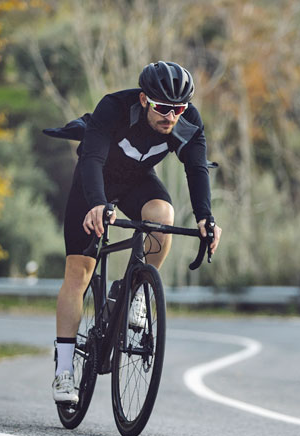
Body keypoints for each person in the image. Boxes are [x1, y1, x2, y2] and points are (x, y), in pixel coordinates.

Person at [51, 61, 222, 403]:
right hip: (94, 182)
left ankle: (137, 290)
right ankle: (64, 372)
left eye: (178, 109)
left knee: (162, 215)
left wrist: (206, 217)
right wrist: (98, 204)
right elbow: (92, 160)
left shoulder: (187, 123)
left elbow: (196, 168)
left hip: (135, 183)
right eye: (162, 108)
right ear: (144, 100)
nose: (170, 116)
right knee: (78, 272)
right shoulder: (114, 108)